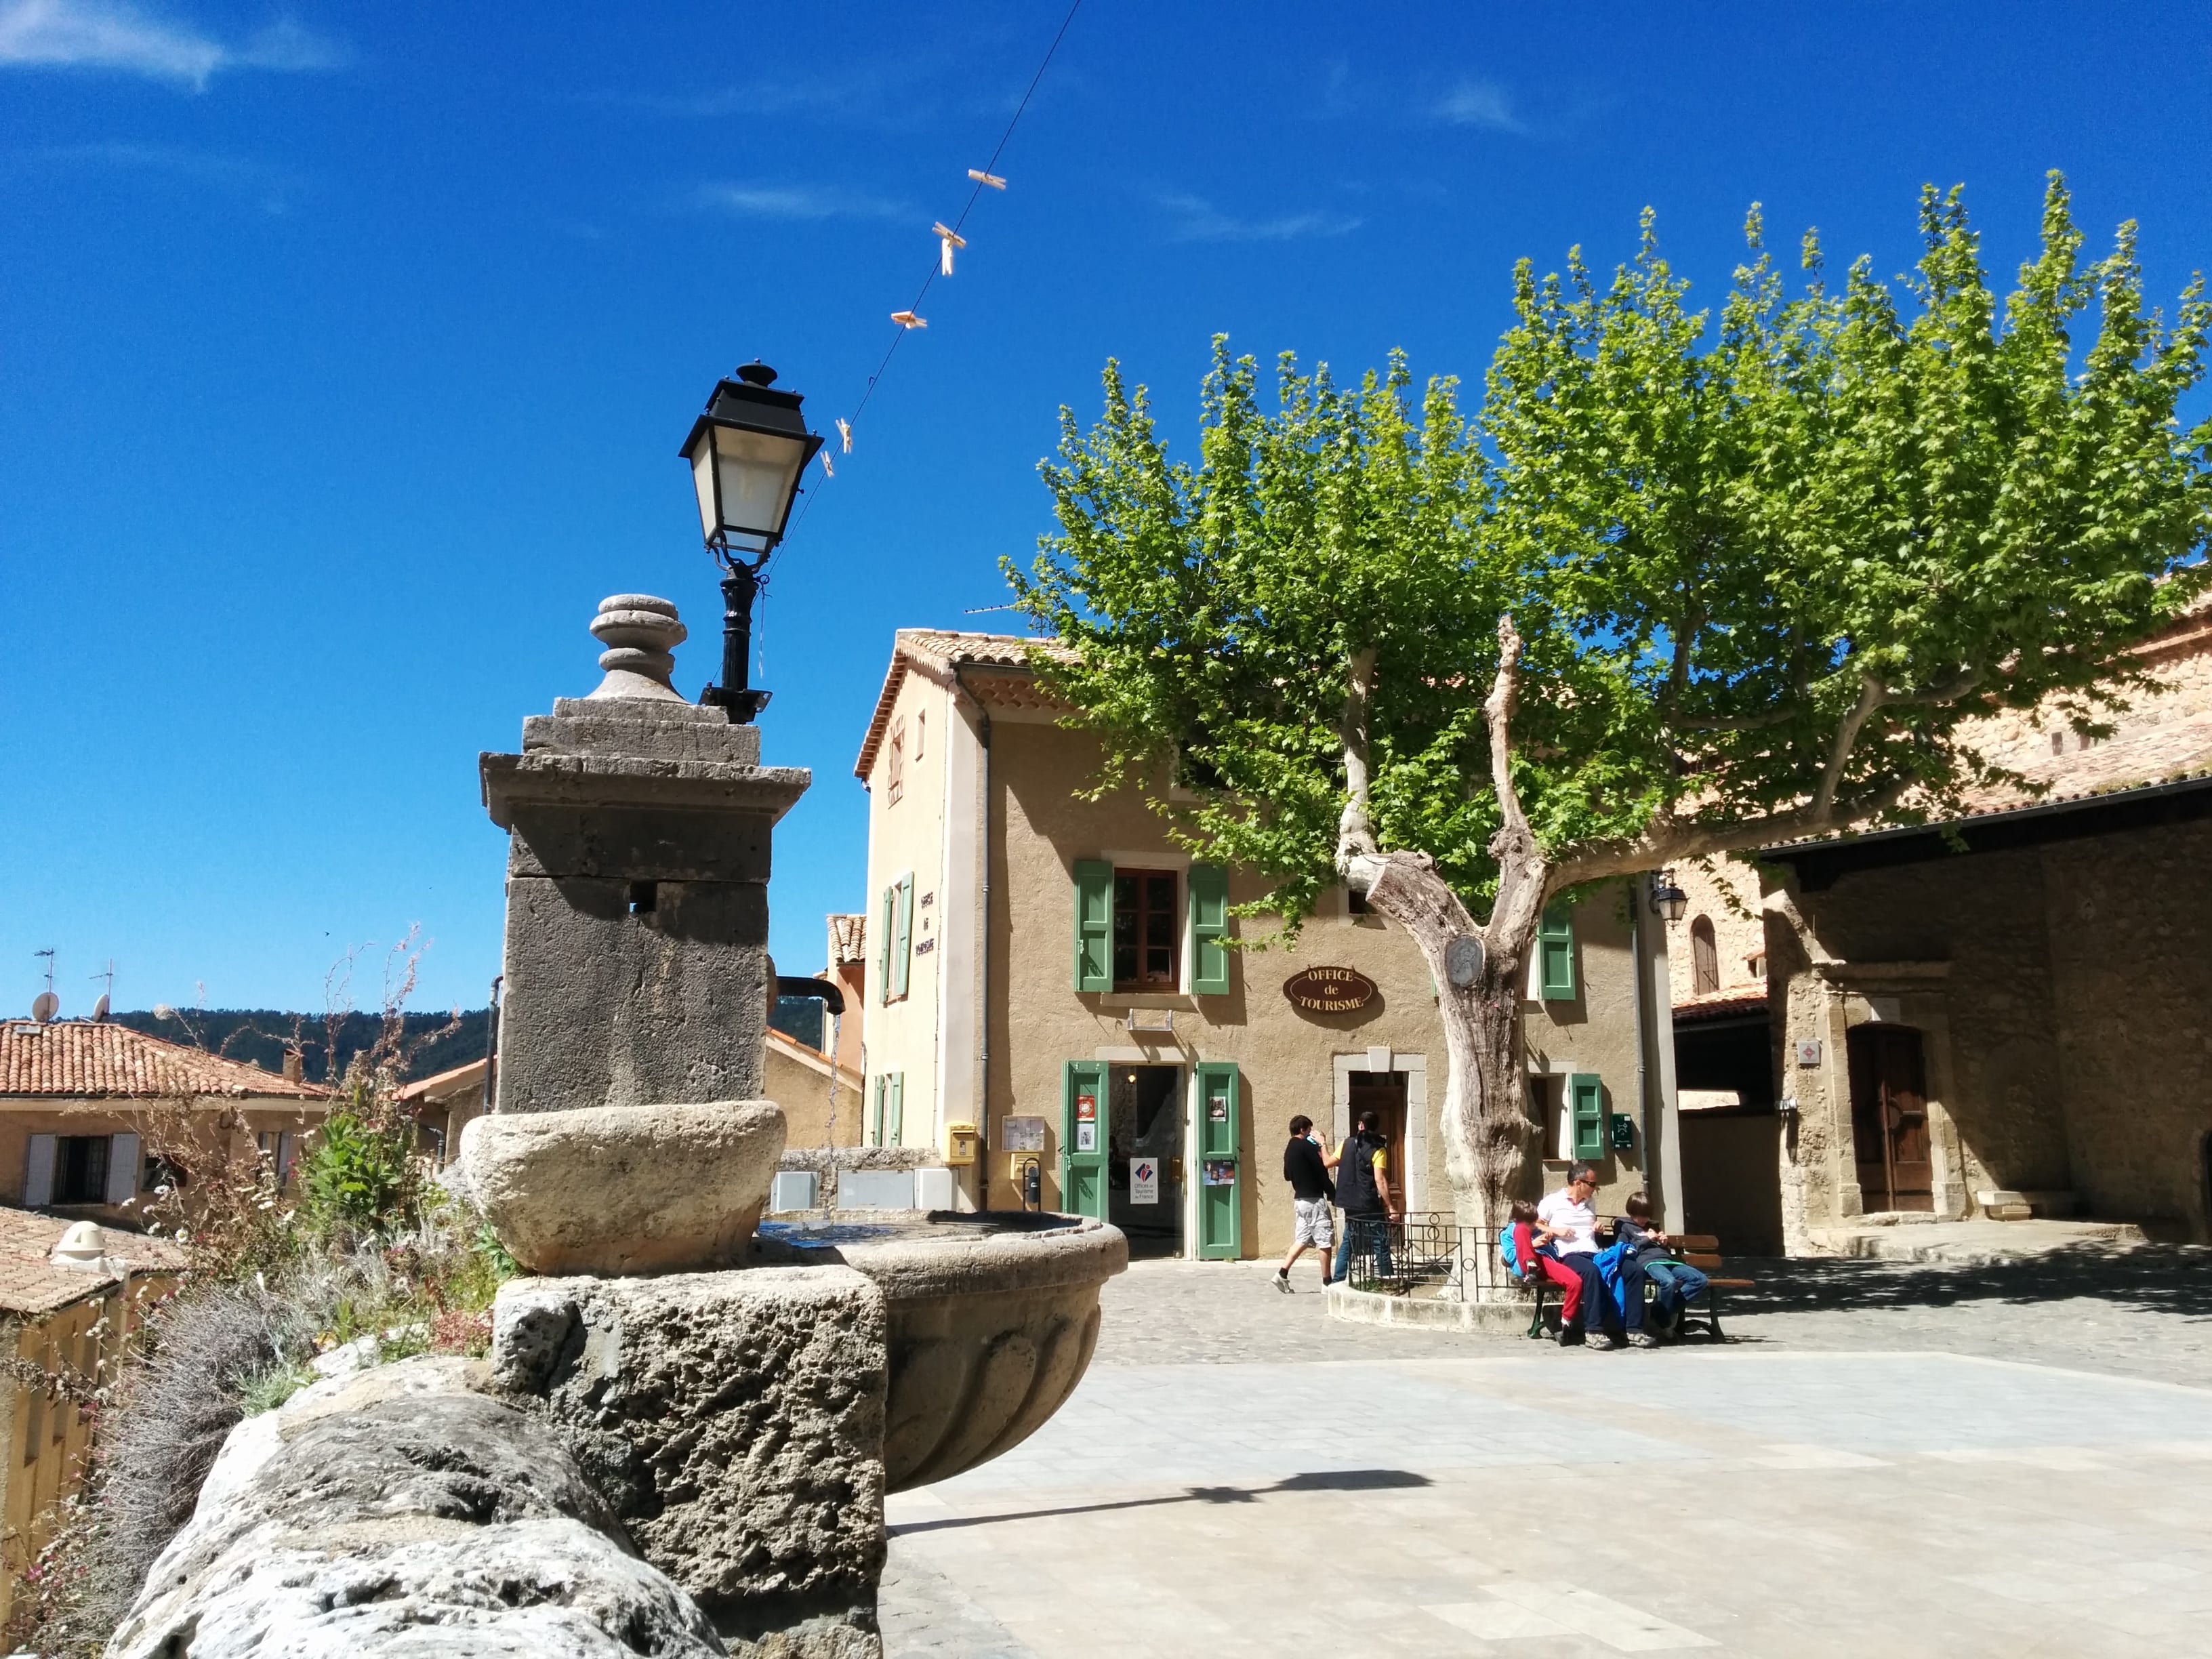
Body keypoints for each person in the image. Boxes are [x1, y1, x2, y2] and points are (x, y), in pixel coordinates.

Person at [1536, 1162, 1622, 1348]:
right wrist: (1556, 1231)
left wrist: (1597, 1226)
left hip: (1592, 1250)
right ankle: (1593, 1331)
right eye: (1592, 1184)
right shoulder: (1552, 1201)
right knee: (1591, 1273)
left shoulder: (1590, 1202)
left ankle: (1628, 1326)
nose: (1595, 1189)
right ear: (1578, 1183)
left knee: (1620, 1269)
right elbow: (1536, 1224)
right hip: (1569, 1253)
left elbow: (1590, 1225)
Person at [1616, 1191, 1708, 1346]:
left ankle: (1660, 1313)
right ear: (1632, 1212)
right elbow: (1624, 1249)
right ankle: (1665, 1323)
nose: (1644, 1220)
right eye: (1641, 1216)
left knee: (1700, 1280)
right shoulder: (1624, 1227)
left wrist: (1664, 1243)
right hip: (1648, 1262)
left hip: (1667, 1260)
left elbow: (1663, 1250)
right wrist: (1646, 1239)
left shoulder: (1653, 1225)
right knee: (1669, 1282)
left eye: (1647, 1216)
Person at [1330, 1109, 1398, 1282]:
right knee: (1379, 1239)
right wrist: (1391, 1207)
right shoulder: (1378, 1149)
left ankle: (1338, 1279)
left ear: (1360, 1125)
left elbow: (1329, 1162)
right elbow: (1380, 1180)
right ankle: (1387, 1279)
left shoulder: (1346, 1143)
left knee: (1348, 1240)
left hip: (1348, 1202)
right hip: (1368, 1202)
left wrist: (1322, 1144)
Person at [1275, 1115, 1335, 1292]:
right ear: (1303, 1130)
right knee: (1325, 1241)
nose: (1310, 1133)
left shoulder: (1289, 1148)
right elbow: (1322, 1171)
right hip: (1314, 1200)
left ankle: (1282, 1274)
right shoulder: (1307, 1147)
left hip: (1299, 1200)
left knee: (1302, 1239)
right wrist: (1333, 1194)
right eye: (1309, 1130)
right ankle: (1327, 1282)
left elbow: (1287, 1175)